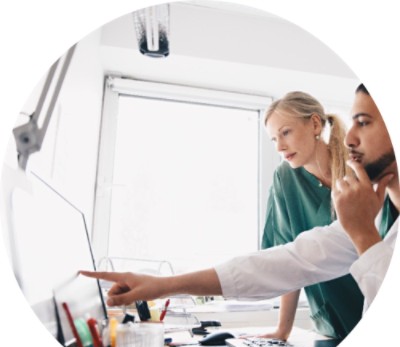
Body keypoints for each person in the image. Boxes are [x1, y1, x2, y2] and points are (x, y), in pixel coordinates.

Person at [81, 84, 398, 315]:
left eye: (365, 122)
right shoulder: (293, 183)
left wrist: (363, 233)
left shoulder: (365, 211)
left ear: (314, 124)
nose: (350, 136)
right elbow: (288, 262)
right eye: (353, 121)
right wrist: (162, 285)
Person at [260, 92, 363, 341]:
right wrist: (282, 330)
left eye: (286, 133)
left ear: (315, 124)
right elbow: (288, 258)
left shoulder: (358, 169)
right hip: (330, 324)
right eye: (274, 138)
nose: (279, 146)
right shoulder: (285, 179)